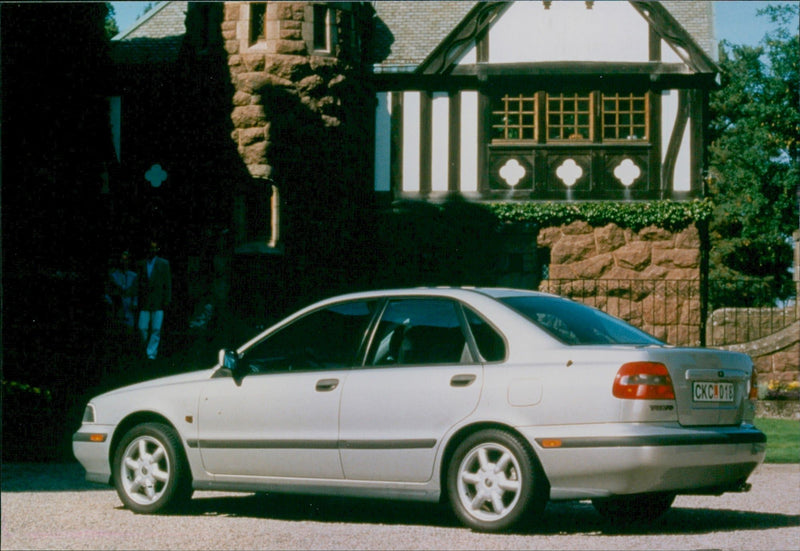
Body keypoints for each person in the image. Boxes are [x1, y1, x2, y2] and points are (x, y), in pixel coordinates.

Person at [137, 240, 172, 360]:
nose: (151, 250)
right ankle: (145, 349)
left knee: (156, 329)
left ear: (157, 249)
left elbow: (167, 283)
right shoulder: (141, 264)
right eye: (149, 248)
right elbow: (138, 284)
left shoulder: (163, 264)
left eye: (154, 248)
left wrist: (167, 299)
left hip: (158, 301)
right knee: (142, 328)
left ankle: (151, 353)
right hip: (145, 302)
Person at [105, 250, 138, 329]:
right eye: (122, 259)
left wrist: (134, 303)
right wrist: (111, 303)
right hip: (116, 310)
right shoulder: (113, 275)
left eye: (126, 259)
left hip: (129, 310)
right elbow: (107, 292)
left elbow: (136, 292)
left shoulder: (134, 276)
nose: (124, 262)